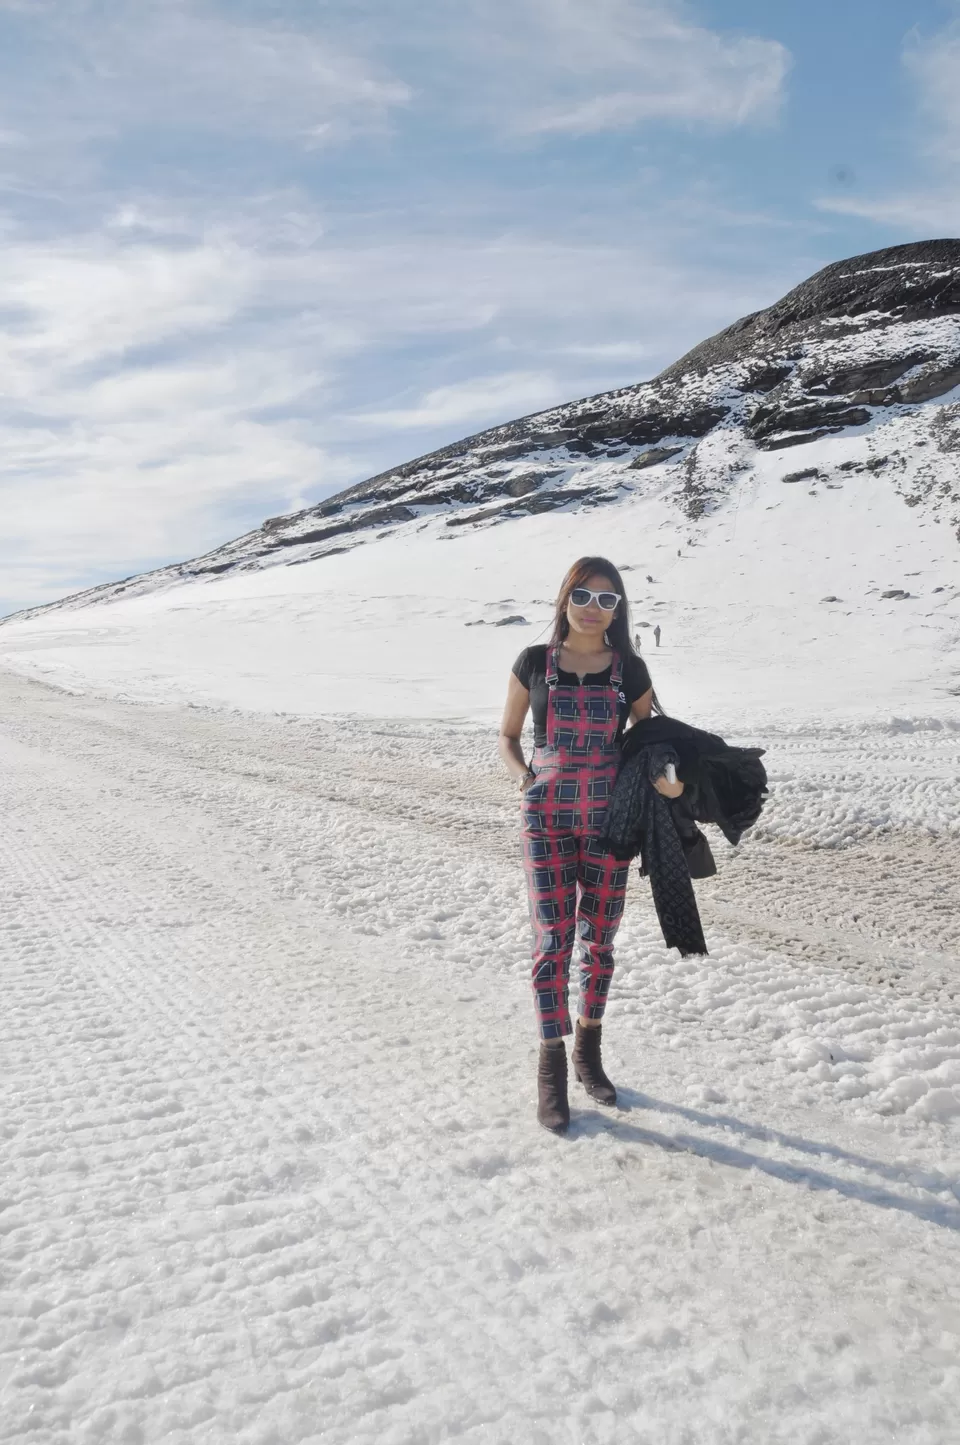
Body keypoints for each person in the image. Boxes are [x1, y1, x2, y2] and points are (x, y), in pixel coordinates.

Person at [499, 556, 683, 1133]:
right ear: (564, 599)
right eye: (584, 596)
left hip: (611, 817)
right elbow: (507, 736)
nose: (594, 609)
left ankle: (589, 1050)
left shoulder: (630, 668)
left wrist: (669, 779)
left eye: (608, 600)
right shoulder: (533, 662)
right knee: (552, 938)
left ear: (619, 609)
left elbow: (655, 738)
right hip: (546, 815)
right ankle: (551, 1064)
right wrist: (526, 778)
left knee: (599, 939)